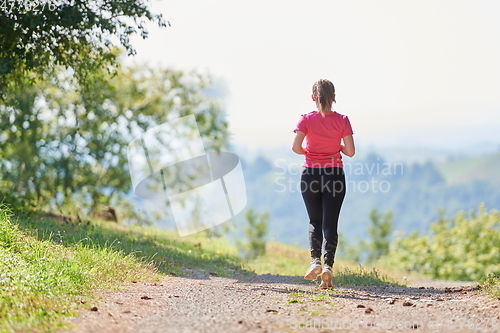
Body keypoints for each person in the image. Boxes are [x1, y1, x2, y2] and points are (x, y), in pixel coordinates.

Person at [292, 79, 355, 289]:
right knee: (330, 223)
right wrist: (335, 145)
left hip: (310, 174)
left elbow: (296, 147)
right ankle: (328, 266)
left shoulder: (306, 119)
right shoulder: (343, 120)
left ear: (313, 98)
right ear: (333, 97)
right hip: (334, 175)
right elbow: (350, 152)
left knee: (314, 220)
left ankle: (315, 262)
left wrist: (310, 151)